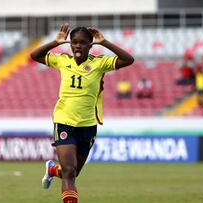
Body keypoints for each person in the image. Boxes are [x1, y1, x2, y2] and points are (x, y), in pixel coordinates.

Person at [30, 24, 134, 203]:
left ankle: (52, 170)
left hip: (88, 125)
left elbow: (128, 60)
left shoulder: (100, 63)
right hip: (64, 122)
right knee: (69, 172)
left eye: (83, 43)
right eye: (74, 42)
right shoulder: (62, 60)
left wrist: (105, 42)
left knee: (73, 172)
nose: (78, 46)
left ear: (90, 45)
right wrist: (55, 42)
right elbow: (35, 55)